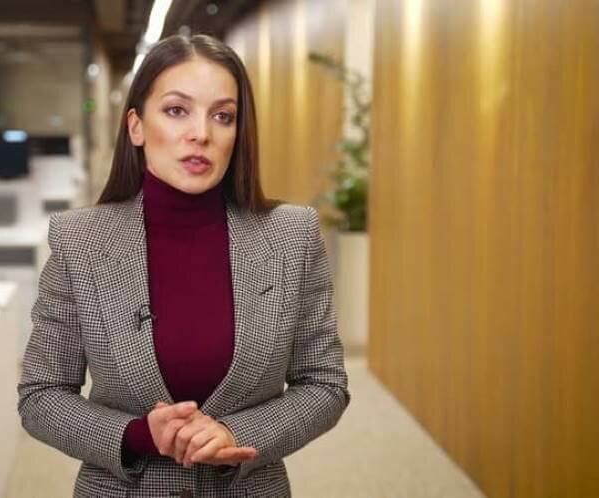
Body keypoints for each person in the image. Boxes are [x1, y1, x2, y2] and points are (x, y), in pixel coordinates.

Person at [18, 34, 350, 497]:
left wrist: (237, 434)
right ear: (136, 126)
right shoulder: (81, 241)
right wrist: (139, 436)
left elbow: (324, 384)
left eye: (222, 116)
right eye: (177, 110)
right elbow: (41, 396)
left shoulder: (292, 235)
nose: (201, 134)